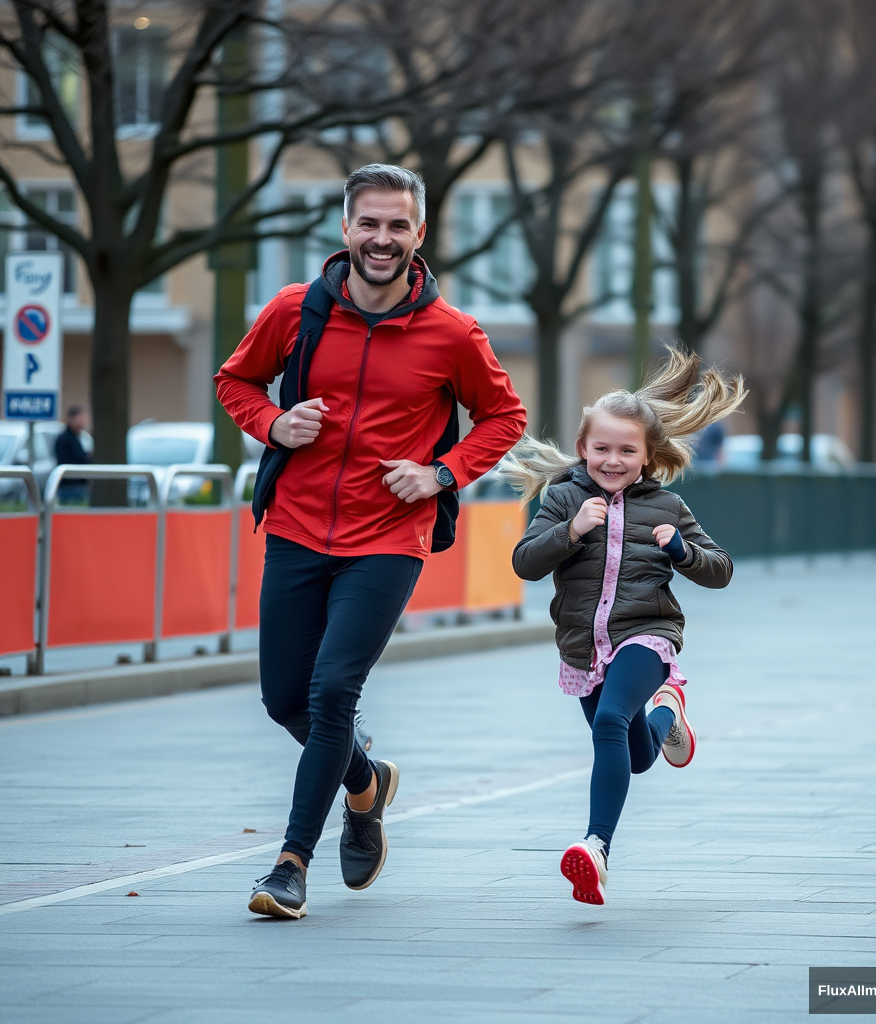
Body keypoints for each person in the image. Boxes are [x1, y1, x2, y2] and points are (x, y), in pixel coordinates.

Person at [215, 164, 527, 919]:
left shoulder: (451, 333)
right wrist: (273, 424)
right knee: (285, 699)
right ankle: (365, 782)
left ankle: (290, 865)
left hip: (388, 537)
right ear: (346, 229)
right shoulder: (295, 311)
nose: (381, 239)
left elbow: (505, 417)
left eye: (398, 226)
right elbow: (236, 381)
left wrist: (440, 474)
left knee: (331, 693)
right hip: (294, 526)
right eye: (369, 223)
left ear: (419, 235)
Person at [505, 350, 744, 905]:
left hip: (647, 636)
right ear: (583, 447)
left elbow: (722, 570)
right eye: (602, 448)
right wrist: (568, 531)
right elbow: (524, 563)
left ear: (647, 456)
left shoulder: (667, 505)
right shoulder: (563, 498)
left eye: (626, 451)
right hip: (584, 649)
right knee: (635, 755)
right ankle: (667, 712)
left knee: (611, 721)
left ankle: (596, 846)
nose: (612, 460)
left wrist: (682, 551)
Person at [54, 405, 92, 504]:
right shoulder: (64, 439)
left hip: (80, 484)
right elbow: (73, 459)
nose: (82, 422)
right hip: (69, 484)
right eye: (79, 418)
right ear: (71, 419)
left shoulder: (80, 437)